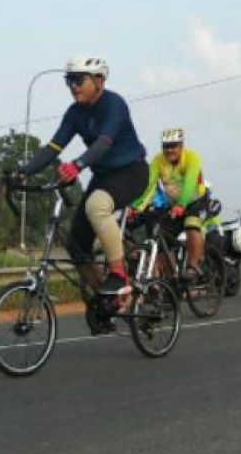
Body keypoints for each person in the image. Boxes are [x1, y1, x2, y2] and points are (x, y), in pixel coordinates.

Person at [15, 54, 148, 296]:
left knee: (96, 206)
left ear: (99, 80)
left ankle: (119, 275)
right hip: (104, 177)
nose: (73, 87)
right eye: (69, 81)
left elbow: (104, 143)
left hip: (131, 171)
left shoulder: (114, 104)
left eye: (78, 80)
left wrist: (76, 165)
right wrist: (21, 172)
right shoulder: (74, 113)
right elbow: (53, 147)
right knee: (76, 245)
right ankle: (105, 300)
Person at [130, 127, 210, 279]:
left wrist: (181, 205)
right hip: (173, 205)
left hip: (195, 201)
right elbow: (149, 185)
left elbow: (189, 183)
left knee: (191, 226)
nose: (169, 150)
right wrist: (135, 205)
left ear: (181, 145)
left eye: (173, 146)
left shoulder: (192, 157)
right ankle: (171, 278)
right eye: (166, 146)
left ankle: (193, 266)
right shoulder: (158, 160)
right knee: (162, 240)